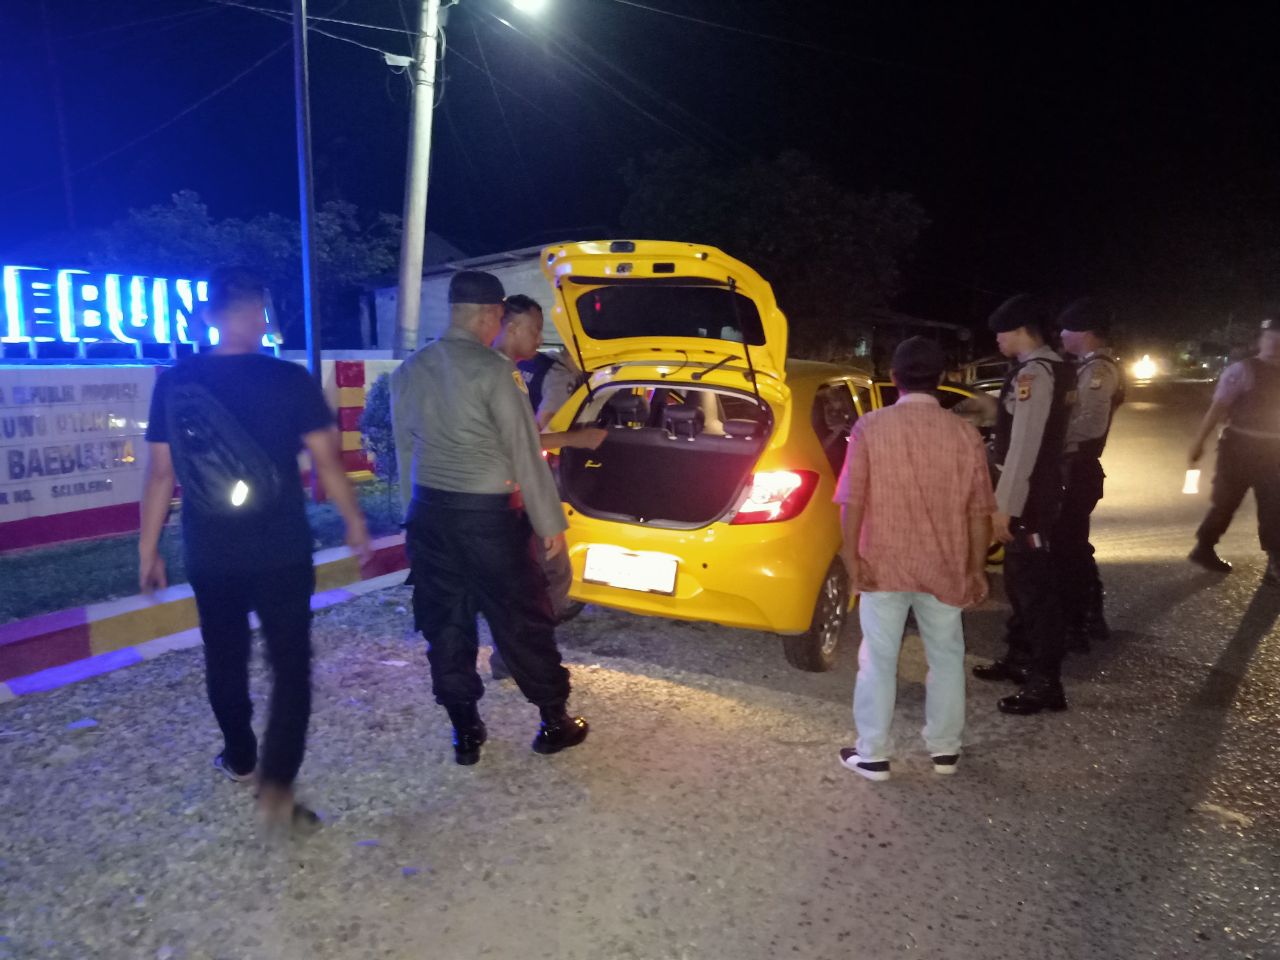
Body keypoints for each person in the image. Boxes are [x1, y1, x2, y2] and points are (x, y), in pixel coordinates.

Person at [138, 266, 371, 832]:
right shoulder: (288, 379)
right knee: (290, 667)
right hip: (281, 548)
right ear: (257, 315)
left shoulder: (177, 381)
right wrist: (353, 522)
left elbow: (161, 475)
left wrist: (147, 549)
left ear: (210, 316)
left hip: (211, 550)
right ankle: (276, 788)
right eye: (262, 311)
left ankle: (240, 756)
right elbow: (326, 463)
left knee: (225, 655)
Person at [390, 270, 588, 765]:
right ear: (490, 314)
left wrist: (410, 515)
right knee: (521, 618)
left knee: (445, 625)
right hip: (489, 520)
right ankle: (553, 721)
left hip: (429, 517)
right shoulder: (495, 371)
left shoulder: (412, 368)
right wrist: (549, 523)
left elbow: (403, 450)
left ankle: (465, 731)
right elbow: (523, 450)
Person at [835, 337, 995, 781]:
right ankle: (945, 751)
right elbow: (979, 511)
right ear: (941, 379)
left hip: (883, 562)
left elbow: (852, 499)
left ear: (894, 378)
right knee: (946, 656)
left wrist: (851, 556)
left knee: (878, 658)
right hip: (944, 564)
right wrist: (976, 568)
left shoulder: (870, 427)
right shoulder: (964, 434)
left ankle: (873, 754)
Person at [972, 294, 1074, 715]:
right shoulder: (1052, 368)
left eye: (1001, 331)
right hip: (1038, 490)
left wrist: (1005, 506)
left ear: (1020, 330)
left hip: (1029, 497)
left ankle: (1046, 683)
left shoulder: (1036, 374)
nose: (997, 339)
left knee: (1035, 589)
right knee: (1019, 581)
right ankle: (1019, 658)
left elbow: (1024, 449)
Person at [1188, 316, 1280, 583]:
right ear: (1261, 340)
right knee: (1225, 503)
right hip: (1239, 448)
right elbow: (1218, 408)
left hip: (1274, 451)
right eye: (1270, 337)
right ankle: (1204, 547)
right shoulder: (1242, 370)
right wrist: (1199, 442)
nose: (1274, 343)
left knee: (1275, 505)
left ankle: (1275, 562)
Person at [1056, 299, 1125, 652]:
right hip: (1077, 469)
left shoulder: (1099, 370)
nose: (1061, 335)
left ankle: (1079, 623)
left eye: (1067, 329)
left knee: (1070, 549)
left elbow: (1092, 424)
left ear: (1084, 332)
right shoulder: (1085, 366)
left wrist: (1050, 437)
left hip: (1077, 468)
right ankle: (1089, 618)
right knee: (1074, 547)